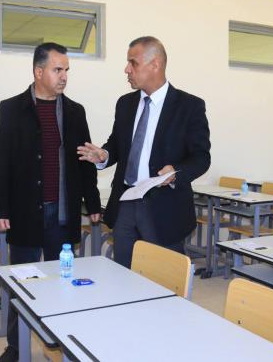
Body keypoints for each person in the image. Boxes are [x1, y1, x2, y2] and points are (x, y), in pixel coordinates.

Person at [0, 42, 101, 362]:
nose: (64, 76)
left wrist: (93, 203)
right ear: (39, 72)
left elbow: (85, 160)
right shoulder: (11, 109)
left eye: (67, 70)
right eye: (57, 69)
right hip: (25, 211)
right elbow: (0, 162)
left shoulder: (75, 112)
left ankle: (61, 341)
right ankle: (15, 346)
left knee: (61, 282)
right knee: (21, 282)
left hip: (63, 213)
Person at [78, 36, 210, 268]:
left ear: (155, 64)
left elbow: (201, 157)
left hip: (165, 209)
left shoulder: (189, 106)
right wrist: (105, 155)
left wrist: (176, 172)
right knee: (123, 272)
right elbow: (117, 144)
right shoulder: (125, 103)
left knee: (162, 276)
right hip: (126, 203)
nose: (126, 69)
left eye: (133, 63)